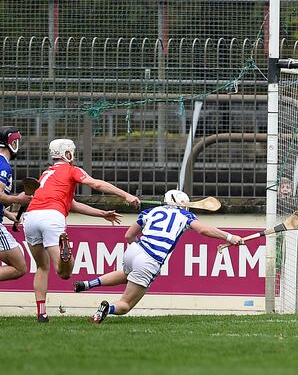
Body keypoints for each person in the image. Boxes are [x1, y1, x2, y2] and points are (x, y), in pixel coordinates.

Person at [73, 190, 243, 323]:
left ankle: (87, 284)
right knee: (125, 305)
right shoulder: (186, 215)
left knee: (126, 274)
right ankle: (107, 309)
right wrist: (230, 237)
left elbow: (128, 236)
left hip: (134, 250)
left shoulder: (151, 212)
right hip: (150, 259)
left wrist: (138, 249)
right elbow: (203, 229)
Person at [23, 138, 140, 323]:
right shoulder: (71, 170)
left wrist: (102, 213)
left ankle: (42, 314)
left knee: (41, 267)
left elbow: (72, 204)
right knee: (64, 273)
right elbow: (96, 184)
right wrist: (126, 195)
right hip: (52, 217)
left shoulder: (45, 174)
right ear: (67, 154)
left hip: (30, 218)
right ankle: (65, 254)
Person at [0, 126, 31, 283]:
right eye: (16, 141)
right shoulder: (3, 165)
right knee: (19, 267)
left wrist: (8, 214)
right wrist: (18, 200)